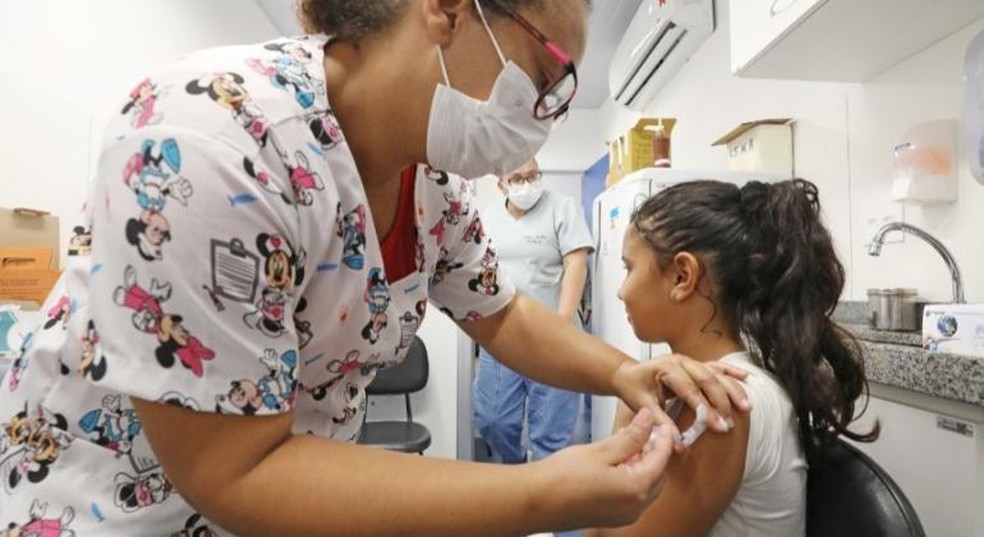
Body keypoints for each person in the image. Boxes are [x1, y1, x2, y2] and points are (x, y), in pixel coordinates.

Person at [0, 1, 749, 535]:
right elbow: (238, 472)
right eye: (547, 71)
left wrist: (625, 373)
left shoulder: (433, 185)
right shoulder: (211, 139)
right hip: (118, 511)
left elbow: (505, 313)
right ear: (450, 12)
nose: (546, 113)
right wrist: (543, 494)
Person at [586, 179, 880, 537]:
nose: (621, 291)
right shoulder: (712, 384)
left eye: (629, 268)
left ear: (683, 276)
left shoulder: (721, 402)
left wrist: (627, 411)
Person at [474, 159, 593, 463]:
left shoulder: (561, 207)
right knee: (493, 421)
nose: (527, 185)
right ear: (500, 183)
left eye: (533, 176)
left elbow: (576, 262)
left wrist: (563, 323)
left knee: (550, 434)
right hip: (503, 334)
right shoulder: (487, 219)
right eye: (517, 178)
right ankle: (517, 466)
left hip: (553, 333)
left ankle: (544, 493)